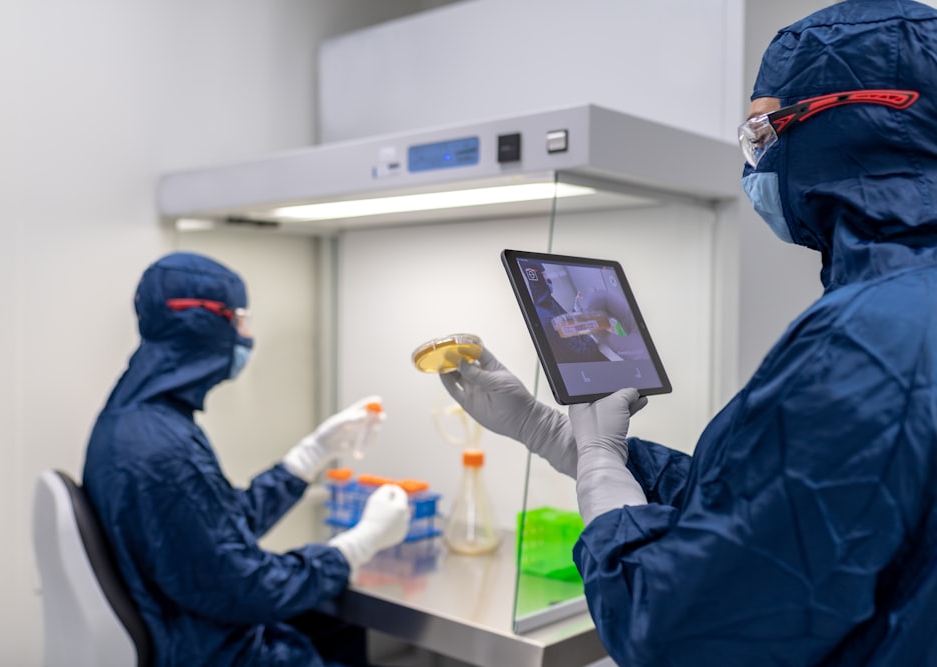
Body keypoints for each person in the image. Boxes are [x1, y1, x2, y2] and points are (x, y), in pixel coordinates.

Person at [439, 1, 937, 664]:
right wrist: (551, 432)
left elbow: (673, 627)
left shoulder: (864, 340)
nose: (757, 156)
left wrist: (598, 468)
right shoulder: (903, 310)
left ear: (852, 121)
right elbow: (766, 508)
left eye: (763, 129)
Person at [82, 252, 411, 667]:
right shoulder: (162, 450)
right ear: (204, 322)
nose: (247, 334)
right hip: (217, 653)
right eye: (240, 318)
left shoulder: (138, 421)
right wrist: (359, 544)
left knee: (340, 629)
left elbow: (213, 531)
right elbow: (251, 589)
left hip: (196, 632)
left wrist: (308, 457)